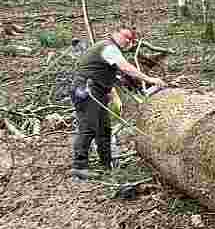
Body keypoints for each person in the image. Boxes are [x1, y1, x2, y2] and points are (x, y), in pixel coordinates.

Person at [71, 26, 165, 179]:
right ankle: (79, 167)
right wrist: (149, 79)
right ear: (115, 33)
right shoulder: (109, 48)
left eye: (131, 40)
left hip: (98, 92)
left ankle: (106, 163)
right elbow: (126, 68)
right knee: (88, 127)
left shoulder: (111, 51)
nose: (128, 41)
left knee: (104, 129)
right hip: (86, 90)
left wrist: (140, 91)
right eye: (126, 37)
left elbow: (121, 76)